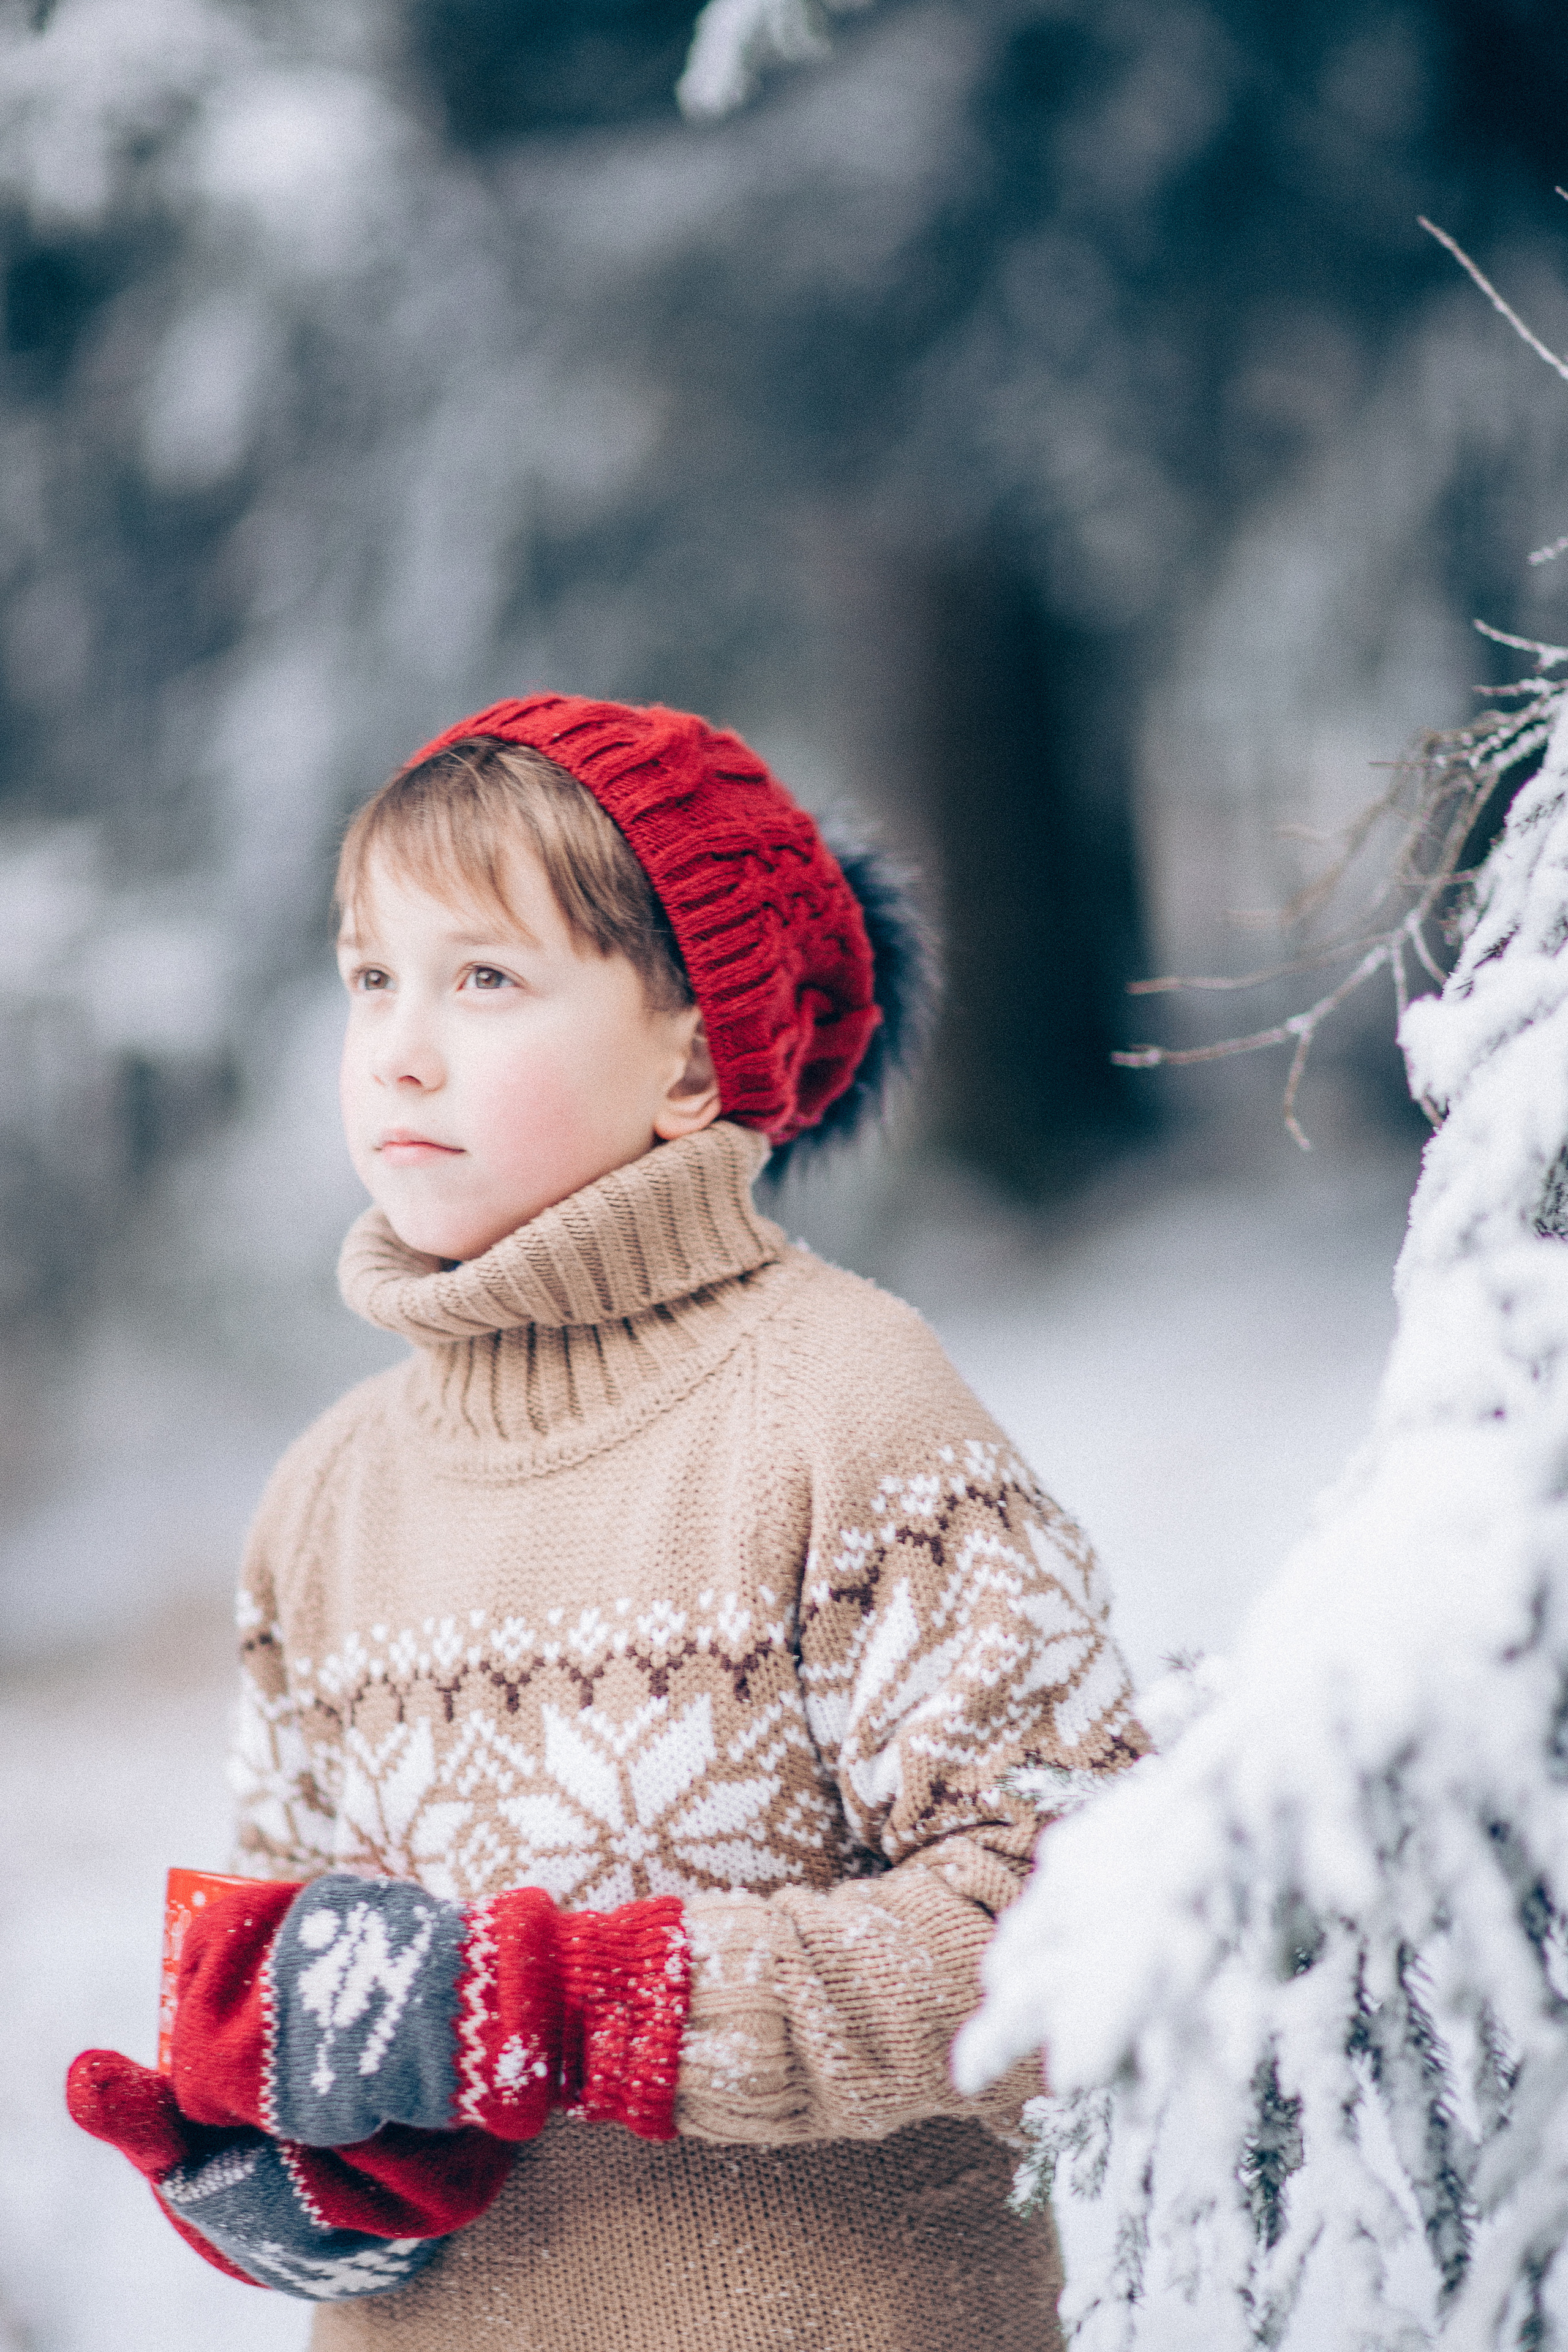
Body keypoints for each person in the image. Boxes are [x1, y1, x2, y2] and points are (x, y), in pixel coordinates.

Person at [68, 693, 1146, 2350]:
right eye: (374, 978)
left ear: (695, 1056)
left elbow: (1067, 1934)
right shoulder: (327, 1498)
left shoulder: (847, 1412)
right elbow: (307, 1967)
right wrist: (290, 2158)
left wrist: (573, 2013)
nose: (400, 1048)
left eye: (485, 978)